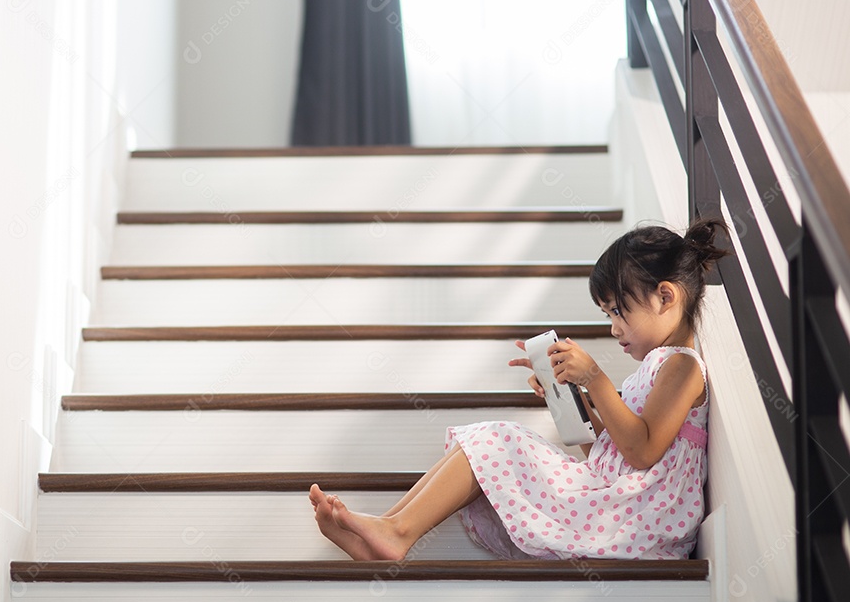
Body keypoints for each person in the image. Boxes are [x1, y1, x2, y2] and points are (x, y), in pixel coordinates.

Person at [309, 218, 729, 561]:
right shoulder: (659, 367)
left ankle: (395, 531)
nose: (614, 327)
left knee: (499, 439)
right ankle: (390, 526)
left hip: (640, 520)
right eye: (607, 315)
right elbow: (615, 456)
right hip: (624, 505)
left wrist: (595, 379)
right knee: (492, 440)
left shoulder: (682, 366)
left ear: (665, 297)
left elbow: (643, 452)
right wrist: (571, 402)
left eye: (619, 311)